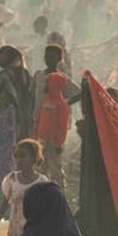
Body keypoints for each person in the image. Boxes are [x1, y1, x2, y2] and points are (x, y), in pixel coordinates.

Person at [33, 45, 80, 190]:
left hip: (54, 132)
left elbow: (78, 92)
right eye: (47, 56)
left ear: (59, 59)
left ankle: (59, 190)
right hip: (40, 125)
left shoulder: (60, 79)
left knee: (55, 163)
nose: (49, 59)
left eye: (53, 56)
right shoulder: (39, 75)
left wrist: (64, 103)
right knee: (40, 161)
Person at [0, 139, 47, 236]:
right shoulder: (11, 179)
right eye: (16, 157)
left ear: (34, 158)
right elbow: (3, 205)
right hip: (15, 229)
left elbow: (45, 209)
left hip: (33, 229)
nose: (18, 160)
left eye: (22, 156)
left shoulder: (41, 182)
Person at [0, 45, 33, 142]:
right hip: (25, 112)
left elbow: (10, 93)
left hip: (8, 111)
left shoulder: (4, 75)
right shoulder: (25, 73)